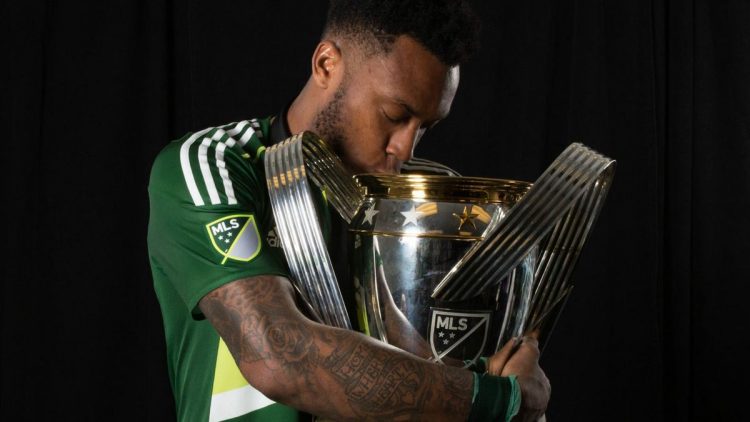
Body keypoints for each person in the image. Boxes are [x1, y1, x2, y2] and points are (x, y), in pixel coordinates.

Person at [147, 1, 551, 421]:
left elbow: (446, 371)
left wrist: (512, 384)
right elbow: (277, 355)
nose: (405, 149)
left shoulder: (419, 205)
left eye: (426, 127)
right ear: (326, 64)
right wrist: (500, 400)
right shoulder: (214, 166)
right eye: (395, 114)